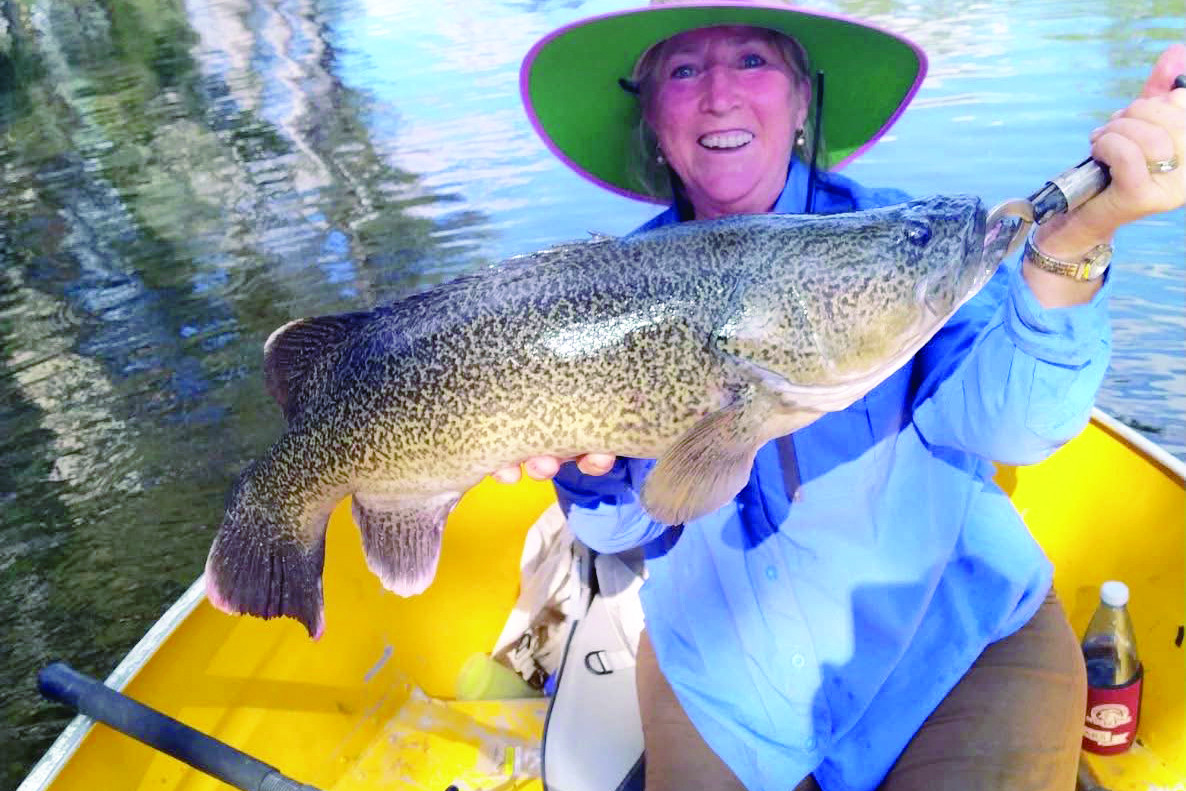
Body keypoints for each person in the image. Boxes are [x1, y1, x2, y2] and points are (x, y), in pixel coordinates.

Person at [495, 3, 1186, 789]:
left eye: (752, 60)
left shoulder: (899, 243)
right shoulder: (598, 300)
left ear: (803, 99)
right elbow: (617, 526)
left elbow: (1018, 425)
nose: (719, 94)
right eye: (684, 70)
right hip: (727, 691)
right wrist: (584, 469)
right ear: (653, 117)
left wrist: (1072, 243)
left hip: (956, 653)